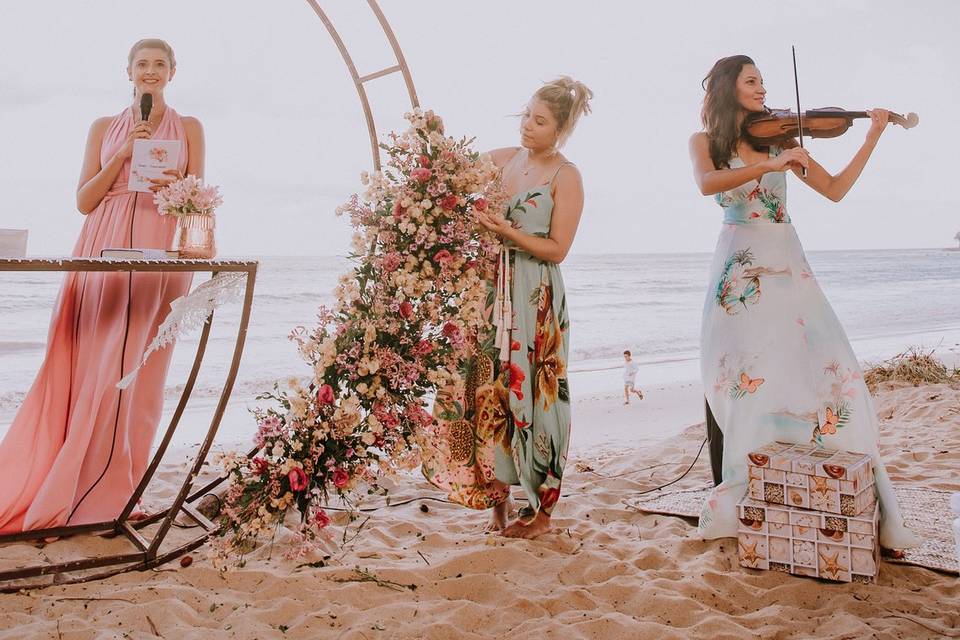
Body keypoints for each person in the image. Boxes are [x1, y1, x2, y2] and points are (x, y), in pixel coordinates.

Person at [688, 55, 917, 550]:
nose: (762, 89)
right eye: (751, 81)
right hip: (738, 269)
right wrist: (770, 164)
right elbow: (707, 184)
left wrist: (870, 138)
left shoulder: (784, 138)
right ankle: (744, 489)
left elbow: (834, 191)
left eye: (763, 81)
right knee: (741, 380)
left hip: (787, 265)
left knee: (815, 363)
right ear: (729, 88)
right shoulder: (706, 143)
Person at [0, 39, 205, 533]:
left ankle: (118, 488)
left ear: (173, 73)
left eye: (160, 65)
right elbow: (84, 201)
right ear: (128, 71)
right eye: (143, 64)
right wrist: (123, 156)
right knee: (92, 359)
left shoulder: (191, 127)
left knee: (141, 369)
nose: (151, 71)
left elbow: (198, 204)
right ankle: (70, 480)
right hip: (105, 240)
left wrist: (174, 183)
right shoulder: (101, 127)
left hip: (160, 244)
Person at [421, 76, 591, 539]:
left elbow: (557, 249)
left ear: (560, 129)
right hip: (489, 293)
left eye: (540, 122)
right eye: (526, 116)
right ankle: (496, 504)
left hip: (534, 296)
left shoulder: (565, 175)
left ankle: (542, 511)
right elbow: (442, 175)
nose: (528, 127)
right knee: (485, 391)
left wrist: (504, 231)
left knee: (538, 397)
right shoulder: (501, 160)